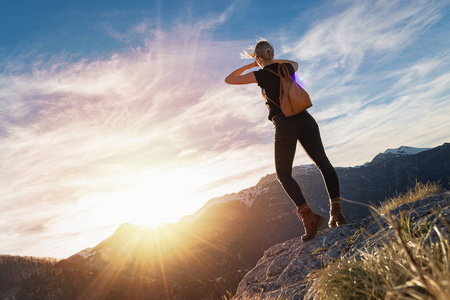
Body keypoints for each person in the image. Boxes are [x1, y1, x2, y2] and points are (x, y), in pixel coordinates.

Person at [225, 40, 347, 241]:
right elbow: (295, 63)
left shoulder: (260, 74)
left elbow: (229, 79)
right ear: (272, 53)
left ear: (258, 58)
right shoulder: (287, 67)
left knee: (283, 173)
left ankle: (309, 217)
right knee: (323, 163)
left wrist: (251, 65)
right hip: (306, 119)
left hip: (284, 125)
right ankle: (337, 212)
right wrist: (271, 59)